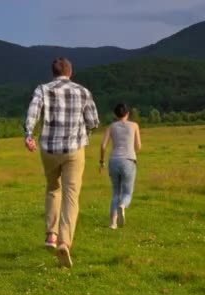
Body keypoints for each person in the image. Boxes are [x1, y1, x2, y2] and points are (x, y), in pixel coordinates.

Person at [24, 57, 99, 268]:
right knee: (71, 195)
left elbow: (32, 114)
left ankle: (50, 235)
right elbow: (93, 121)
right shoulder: (83, 92)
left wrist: (29, 135)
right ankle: (65, 242)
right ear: (70, 72)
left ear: (53, 73)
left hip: (48, 149)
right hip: (74, 150)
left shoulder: (42, 90)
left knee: (52, 188)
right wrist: (85, 133)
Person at [99, 103, 141, 229]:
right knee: (127, 192)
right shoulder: (134, 126)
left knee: (116, 192)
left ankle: (113, 223)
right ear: (127, 113)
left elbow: (103, 146)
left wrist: (101, 161)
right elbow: (138, 146)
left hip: (114, 161)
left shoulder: (111, 127)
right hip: (129, 160)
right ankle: (122, 206)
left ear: (115, 114)